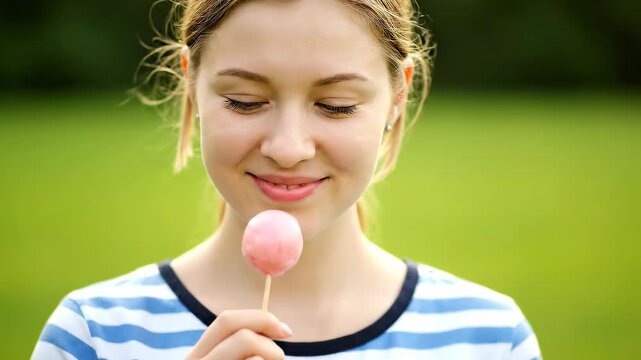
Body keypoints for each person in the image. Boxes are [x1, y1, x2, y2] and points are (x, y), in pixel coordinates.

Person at [32, 0, 542, 359]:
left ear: (397, 97)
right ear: (191, 84)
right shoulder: (95, 335)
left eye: (335, 106)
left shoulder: (488, 338)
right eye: (245, 101)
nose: (288, 147)